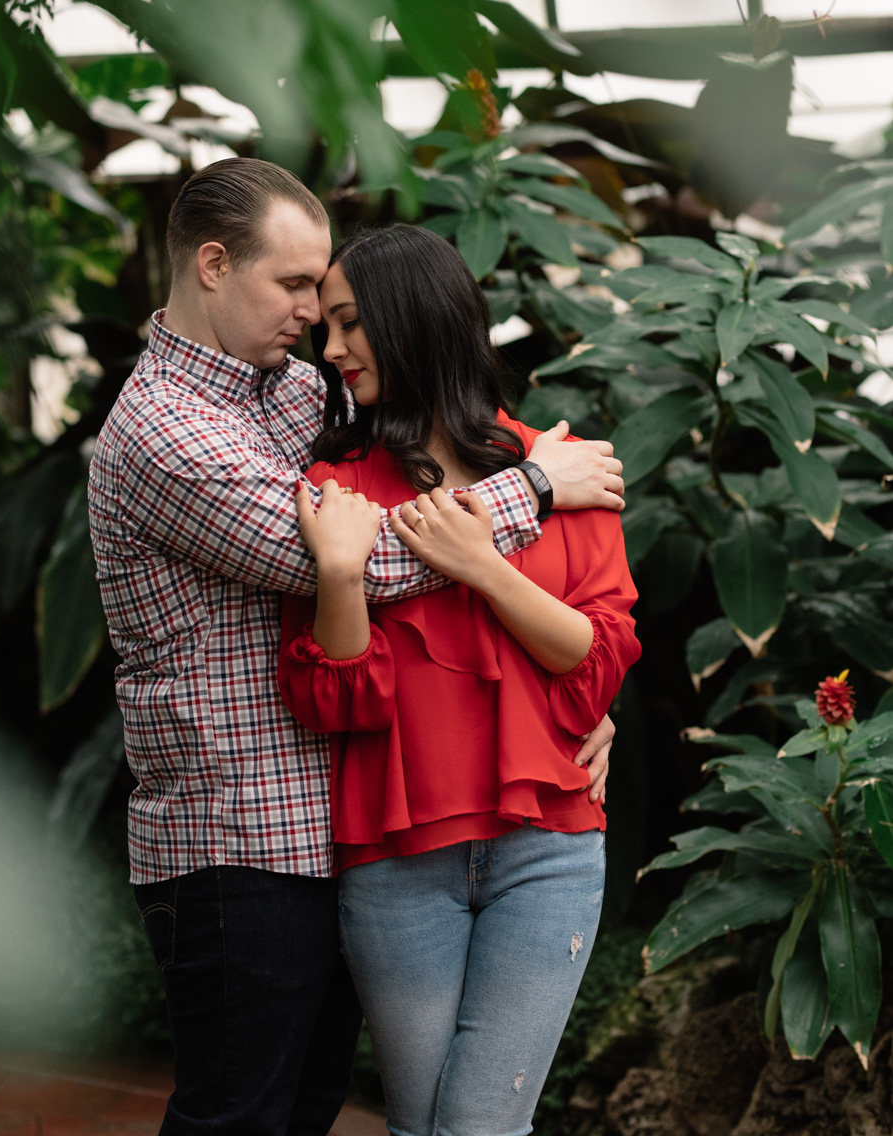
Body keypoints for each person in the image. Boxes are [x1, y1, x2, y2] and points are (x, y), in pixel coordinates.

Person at [88, 157, 626, 1136]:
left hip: (332, 837)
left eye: (329, 298)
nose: (314, 320)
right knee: (239, 1116)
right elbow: (371, 561)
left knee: (306, 1111)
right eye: (293, 285)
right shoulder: (166, 429)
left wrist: (584, 705)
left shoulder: (295, 394)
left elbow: (525, 607)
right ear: (212, 263)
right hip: (235, 846)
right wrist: (538, 486)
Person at [278, 224, 639, 1136]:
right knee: (422, 1126)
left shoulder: (566, 471)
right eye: (326, 327)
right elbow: (337, 700)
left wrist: (483, 566)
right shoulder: (332, 489)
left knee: (479, 1127)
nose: (330, 350)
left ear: (415, 321)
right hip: (395, 861)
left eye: (350, 324)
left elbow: (592, 668)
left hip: (546, 849)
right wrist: (339, 574)